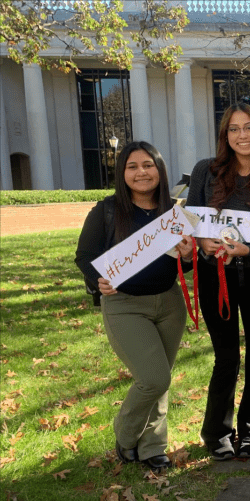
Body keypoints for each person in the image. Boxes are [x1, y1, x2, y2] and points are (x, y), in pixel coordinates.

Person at [75, 141, 193, 473]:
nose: (141, 172)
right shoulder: (107, 210)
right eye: (132, 166)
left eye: (148, 165)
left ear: (160, 170)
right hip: (124, 305)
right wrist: (99, 278)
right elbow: (85, 256)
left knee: (161, 379)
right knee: (153, 378)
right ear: (122, 173)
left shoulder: (174, 212)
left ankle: (153, 446)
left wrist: (187, 256)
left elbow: (179, 266)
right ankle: (126, 436)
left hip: (169, 302)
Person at [186, 103, 250, 460]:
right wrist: (201, 242)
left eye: (249, 128)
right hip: (216, 279)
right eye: (234, 129)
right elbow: (190, 221)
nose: (242, 135)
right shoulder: (205, 172)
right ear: (225, 135)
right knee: (226, 357)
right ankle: (217, 433)